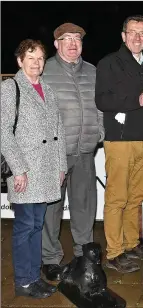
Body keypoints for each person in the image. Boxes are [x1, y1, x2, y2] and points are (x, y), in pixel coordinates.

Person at [1, 39, 66, 298]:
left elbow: (58, 130)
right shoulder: (10, 88)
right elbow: (3, 133)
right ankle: (24, 281)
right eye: (31, 57)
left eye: (40, 58)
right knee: (26, 226)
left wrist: (61, 165)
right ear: (20, 61)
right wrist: (18, 169)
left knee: (37, 225)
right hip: (26, 171)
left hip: (47, 169)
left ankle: (34, 275)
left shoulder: (47, 90)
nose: (36, 62)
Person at [95, 15, 143, 273]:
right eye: (132, 32)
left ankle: (131, 244)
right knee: (116, 198)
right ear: (123, 36)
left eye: (142, 33)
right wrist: (136, 99)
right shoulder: (109, 63)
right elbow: (102, 100)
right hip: (120, 141)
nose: (137, 37)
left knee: (137, 197)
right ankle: (114, 252)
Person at [40, 22, 104, 282]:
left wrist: (99, 133)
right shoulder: (45, 71)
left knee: (84, 206)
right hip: (55, 154)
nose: (72, 43)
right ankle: (50, 259)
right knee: (51, 208)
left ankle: (82, 255)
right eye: (66, 38)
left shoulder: (93, 71)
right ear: (56, 44)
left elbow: (101, 107)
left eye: (77, 38)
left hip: (86, 151)